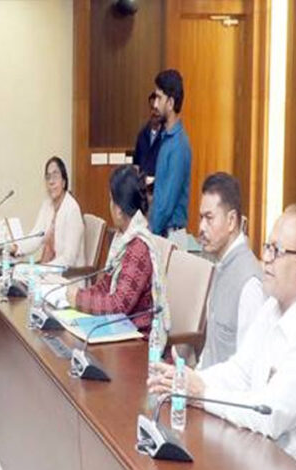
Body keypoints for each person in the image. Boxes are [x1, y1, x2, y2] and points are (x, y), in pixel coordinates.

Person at [149, 204, 296, 469]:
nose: (266, 258)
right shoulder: (272, 307)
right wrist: (188, 380)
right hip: (256, 447)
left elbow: (268, 415)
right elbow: (240, 371)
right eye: (267, 247)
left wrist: (203, 394)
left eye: (277, 250)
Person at [66, 165, 169, 332]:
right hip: (120, 330)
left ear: (119, 211)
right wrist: (81, 295)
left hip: (137, 336)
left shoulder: (138, 247)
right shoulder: (123, 238)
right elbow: (106, 285)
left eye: (111, 200)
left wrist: (79, 300)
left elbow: (119, 306)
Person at [196, 173, 265, 369]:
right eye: (201, 218)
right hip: (204, 381)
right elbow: (210, 349)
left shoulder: (250, 284)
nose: (201, 227)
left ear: (232, 220)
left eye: (209, 218)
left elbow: (248, 368)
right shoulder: (220, 264)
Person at [12, 156, 86, 267]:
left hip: (70, 274)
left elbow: (69, 259)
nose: (51, 182)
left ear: (64, 182)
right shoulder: (47, 205)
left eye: (55, 176)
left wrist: (43, 269)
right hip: (49, 269)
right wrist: (16, 248)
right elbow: (36, 237)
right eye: (48, 177)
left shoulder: (72, 210)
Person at [149, 69, 192, 240]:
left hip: (171, 236)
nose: (155, 105)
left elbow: (167, 203)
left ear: (171, 103)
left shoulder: (179, 145)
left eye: (159, 98)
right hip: (162, 233)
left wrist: (149, 234)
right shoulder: (166, 139)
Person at [133, 91, 164, 178]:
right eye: (152, 109)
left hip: (159, 184)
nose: (155, 113)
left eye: (157, 109)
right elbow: (136, 163)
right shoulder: (141, 135)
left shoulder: (166, 136)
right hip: (142, 184)